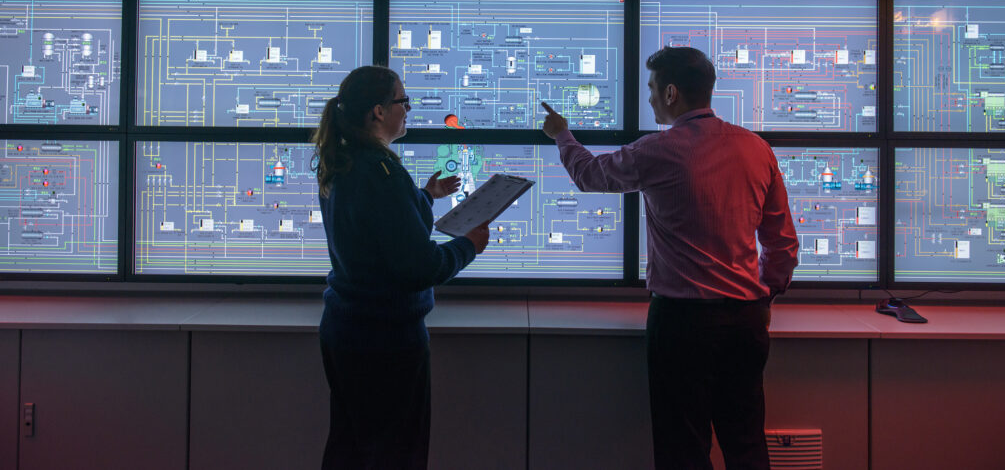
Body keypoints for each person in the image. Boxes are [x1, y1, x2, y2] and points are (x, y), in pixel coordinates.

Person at [541, 46, 799, 470]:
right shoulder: (757, 149)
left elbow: (589, 176)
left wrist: (562, 135)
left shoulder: (658, 151)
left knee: (683, 448)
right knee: (747, 442)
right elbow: (782, 241)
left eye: (651, 89)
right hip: (745, 321)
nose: (649, 98)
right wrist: (765, 295)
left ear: (672, 93)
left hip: (683, 323)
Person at [311, 65, 490, 470]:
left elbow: (381, 231)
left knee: (351, 448)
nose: (407, 109)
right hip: (386, 343)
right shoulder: (382, 173)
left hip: (346, 332)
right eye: (402, 101)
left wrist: (424, 197)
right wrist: (468, 246)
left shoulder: (346, 162)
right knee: (395, 456)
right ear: (378, 111)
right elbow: (420, 266)